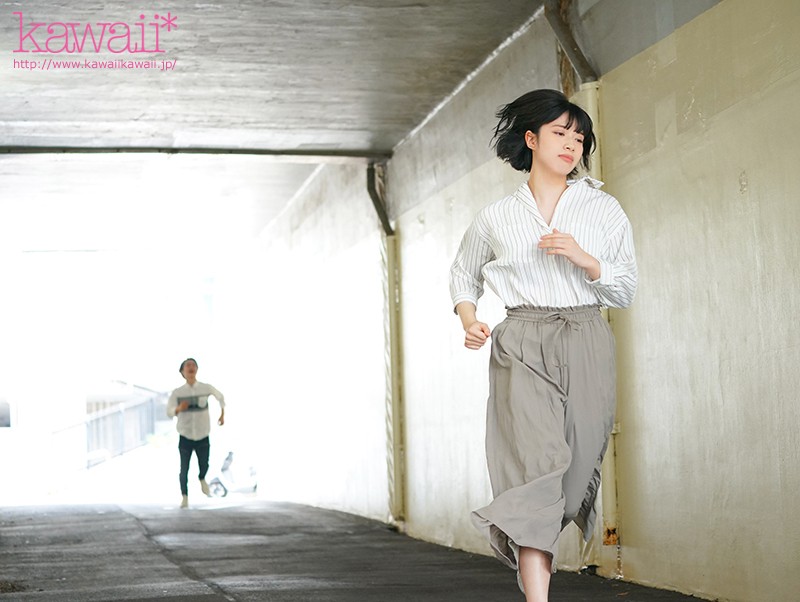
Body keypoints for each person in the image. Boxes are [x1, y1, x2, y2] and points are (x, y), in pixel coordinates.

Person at [449, 89, 637, 601]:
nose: (572, 144)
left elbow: (625, 288)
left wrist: (585, 259)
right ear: (531, 139)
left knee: (573, 477)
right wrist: (470, 319)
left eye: (580, 137)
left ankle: (540, 542)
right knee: (535, 473)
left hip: (586, 335)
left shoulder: (604, 209)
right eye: (560, 133)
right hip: (522, 340)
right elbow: (464, 274)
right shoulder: (495, 216)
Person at [166, 357, 226, 509]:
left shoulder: (206, 388)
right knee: (184, 468)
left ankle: (202, 478)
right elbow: (169, 412)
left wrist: (222, 414)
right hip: (185, 435)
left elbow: (220, 397)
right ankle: (184, 496)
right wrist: (179, 409)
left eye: (193, 365)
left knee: (204, 463)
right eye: (188, 366)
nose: (191, 368)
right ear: (183, 371)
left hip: (203, 433)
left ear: (197, 369)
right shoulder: (178, 393)